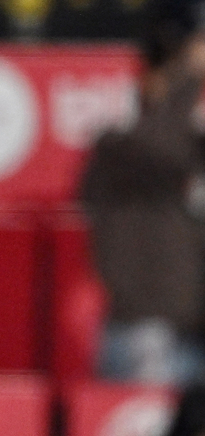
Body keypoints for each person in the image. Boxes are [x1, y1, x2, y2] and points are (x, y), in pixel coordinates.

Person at [82, 0, 205, 385]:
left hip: (191, 331)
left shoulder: (191, 146)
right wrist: (186, 76)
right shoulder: (120, 150)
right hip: (149, 336)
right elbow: (161, 149)